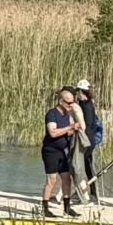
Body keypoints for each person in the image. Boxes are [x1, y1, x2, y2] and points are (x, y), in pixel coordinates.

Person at [42, 86, 82, 216]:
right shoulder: (52, 114)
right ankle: (45, 207)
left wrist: (75, 129)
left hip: (62, 151)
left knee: (67, 178)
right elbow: (53, 132)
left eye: (73, 102)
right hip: (50, 151)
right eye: (69, 103)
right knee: (52, 180)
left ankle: (67, 207)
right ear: (61, 101)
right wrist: (70, 127)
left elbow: (67, 131)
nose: (71, 105)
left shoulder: (67, 115)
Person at [73, 79, 104, 202]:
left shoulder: (86, 106)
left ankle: (86, 193)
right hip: (89, 140)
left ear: (82, 92)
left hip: (86, 140)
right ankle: (90, 193)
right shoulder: (87, 103)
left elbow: (87, 125)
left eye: (78, 91)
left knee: (80, 166)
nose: (77, 94)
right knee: (86, 167)